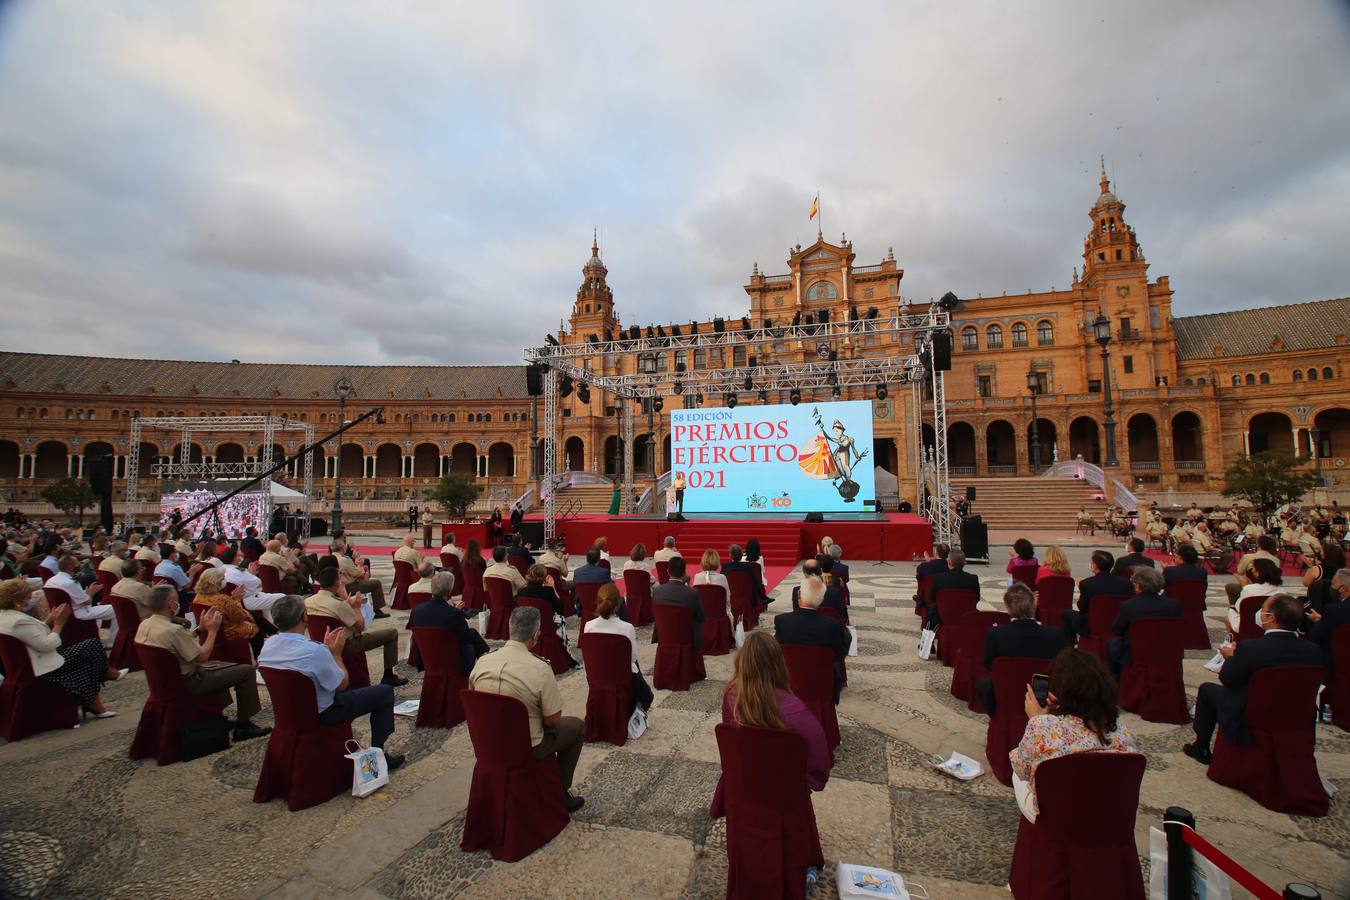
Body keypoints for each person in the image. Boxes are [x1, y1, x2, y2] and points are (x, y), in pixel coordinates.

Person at [258, 595, 405, 771]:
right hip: (323, 712)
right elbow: (341, 684)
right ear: (304, 616)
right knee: (384, 692)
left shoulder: (266, 648)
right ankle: (379, 754)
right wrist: (335, 655)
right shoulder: (313, 651)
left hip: (289, 715)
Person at [1183, 593, 1328, 765]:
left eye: (1263, 609)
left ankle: (1201, 746)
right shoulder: (1314, 651)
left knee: (1207, 690)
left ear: (1271, 618)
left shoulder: (1250, 648)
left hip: (1254, 711)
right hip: (1297, 711)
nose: (1260, 612)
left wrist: (1231, 658)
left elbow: (1228, 679)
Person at [470, 605, 584, 812]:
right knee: (576, 727)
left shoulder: (482, 663)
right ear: (536, 635)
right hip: (526, 745)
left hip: (486, 741)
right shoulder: (539, 667)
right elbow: (553, 720)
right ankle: (560, 792)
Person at [1010, 648, 1137, 821]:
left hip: (1057, 816)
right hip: (1105, 813)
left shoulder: (1043, 727)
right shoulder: (1123, 734)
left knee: (1017, 772)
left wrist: (1036, 719)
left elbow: (1021, 769)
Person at [135, 584, 270, 740]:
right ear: (171, 605)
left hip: (165, 682)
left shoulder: (145, 624)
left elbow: (179, 644)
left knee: (220, 668)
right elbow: (203, 656)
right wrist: (212, 631)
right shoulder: (173, 630)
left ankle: (214, 716)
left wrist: (200, 628)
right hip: (188, 682)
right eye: (177, 601)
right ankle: (244, 725)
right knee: (246, 671)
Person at [721, 630, 831, 791]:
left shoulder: (731, 697)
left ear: (741, 662)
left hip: (743, 786)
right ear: (779, 664)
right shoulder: (796, 711)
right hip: (787, 793)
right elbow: (819, 765)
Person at [0, 577, 118, 718]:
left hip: (30, 663)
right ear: (17, 601)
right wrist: (59, 624)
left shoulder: (6, 616)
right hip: (42, 667)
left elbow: (30, 636)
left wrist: (48, 622)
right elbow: (47, 645)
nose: (30, 598)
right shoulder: (19, 620)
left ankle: (97, 696)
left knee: (90, 647)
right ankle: (99, 689)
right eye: (27, 597)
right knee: (91, 648)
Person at [305, 567, 408, 687]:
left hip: (321, 642)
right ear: (337, 582)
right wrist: (356, 607)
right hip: (348, 644)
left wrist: (344, 599)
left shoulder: (307, 601)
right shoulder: (338, 604)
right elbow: (360, 626)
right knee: (392, 634)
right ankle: (388, 675)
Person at [975, 584, 1067, 714]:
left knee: (982, 684)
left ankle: (997, 716)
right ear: (1033, 606)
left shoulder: (996, 634)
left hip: (1007, 693)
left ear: (1008, 609)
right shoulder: (1056, 635)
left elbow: (989, 665)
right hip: (1042, 694)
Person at [774, 575, 849, 703]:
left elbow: (776, 652)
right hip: (822, 687)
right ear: (822, 599)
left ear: (799, 596)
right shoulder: (832, 625)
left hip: (790, 682)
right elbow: (839, 655)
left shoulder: (782, 621)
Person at [583, 582, 654, 711]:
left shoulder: (588, 626)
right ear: (618, 604)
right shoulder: (627, 628)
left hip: (597, 675)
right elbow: (632, 659)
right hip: (620, 678)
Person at [1106, 567, 1183, 675]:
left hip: (1137, 651)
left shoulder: (1129, 606)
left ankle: (1116, 679)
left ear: (1138, 586)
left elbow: (1117, 630)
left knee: (1112, 644)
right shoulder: (1173, 605)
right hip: (1166, 649)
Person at [409, 572, 487, 674]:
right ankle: (485, 661)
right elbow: (466, 637)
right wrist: (457, 612)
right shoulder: (454, 614)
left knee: (471, 633)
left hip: (427, 658)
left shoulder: (417, 610)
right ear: (449, 591)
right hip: (453, 661)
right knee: (472, 636)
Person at [1062, 550, 1132, 644]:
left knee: (1066, 614)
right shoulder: (1125, 583)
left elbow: (1081, 607)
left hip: (1093, 625)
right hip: (1118, 622)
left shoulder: (1087, 584)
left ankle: (1068, 648)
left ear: (1095, 565)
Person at [47, 553, 115, 637]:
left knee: (104, 610)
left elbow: (68, 596)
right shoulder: (70, 582)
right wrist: (91, 593)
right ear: (71, 567)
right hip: (77, 613)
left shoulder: (50, 581)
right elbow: (87, 602)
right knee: (115, 609)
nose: (79, 564)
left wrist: (86, 593)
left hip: (62, 612)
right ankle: (112, 642)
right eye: (77, 563)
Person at [651, 555, 704, 650]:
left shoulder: (657, 592)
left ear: (668, 571)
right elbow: (701, 618)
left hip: (665, 637)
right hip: (686, 641)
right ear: (684, 573)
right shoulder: (693, 593)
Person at [925, 549, 980, 628]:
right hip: (966, 615)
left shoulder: (939, 578)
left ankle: (928, 638)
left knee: (931, 610)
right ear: (964, 563)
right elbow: (976, 599)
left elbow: (933, 598)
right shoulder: (973, 579)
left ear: (949, 562)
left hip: (944, 616)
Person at [331, 541, 388, 617]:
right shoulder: (344, 559)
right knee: (376, 583)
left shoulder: (329, 558)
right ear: (342, 548)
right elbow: (358, 574)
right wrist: (359, 565)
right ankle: (376, 610)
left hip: (335, 586)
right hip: (350, 586)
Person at [1230, 558, 1282, 635]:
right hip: (1272, 623)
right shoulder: (1281, 591)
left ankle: (1231, 641)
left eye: (1253, 568)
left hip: (1247, 624)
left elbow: (1239, 607)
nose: (1252, 571)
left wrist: (1245, 587)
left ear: (1258, 572)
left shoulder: (1249, 588)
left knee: (1229, 614)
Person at [1228, 534, 1281, 605]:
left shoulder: (1248, 557)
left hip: (1252, 585)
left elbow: (1240, 571)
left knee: (1229, 587)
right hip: (1272, 588)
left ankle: (1234, 607)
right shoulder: (1276, 560)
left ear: (1258, 545)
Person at [722, 544, 768, 609]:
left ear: (730, 555)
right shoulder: (750, 567)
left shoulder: (725, 567)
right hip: (747, 596)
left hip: (731, 594)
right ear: (741, 554)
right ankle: (763, 599)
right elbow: (756, 582)